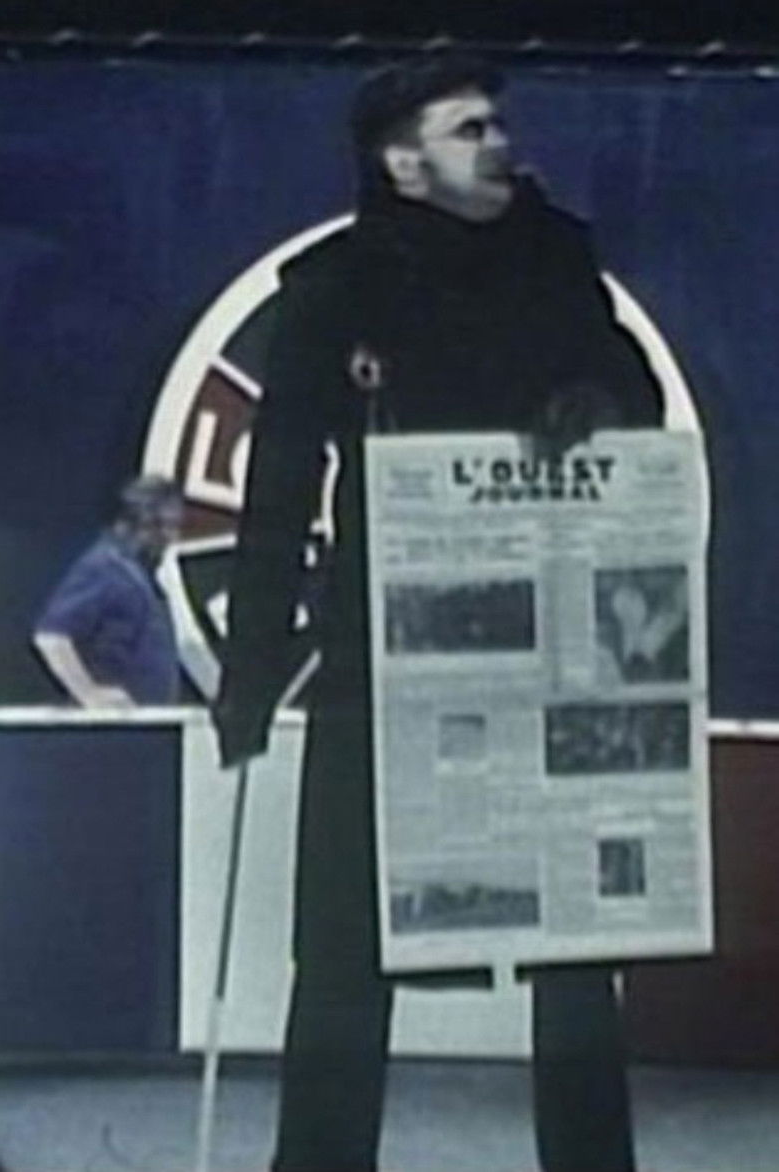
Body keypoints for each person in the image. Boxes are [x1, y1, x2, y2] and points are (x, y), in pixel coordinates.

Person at [215, 55, 664, 1172]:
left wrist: (600, 398)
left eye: (498, 122)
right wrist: (252, 669)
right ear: (402, 163)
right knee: (342, 955)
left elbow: (635, 386)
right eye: (470, 129)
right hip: (380, 667)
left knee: (575, 956)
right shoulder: (333, 288)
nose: (501, 142)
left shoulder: (557, 257)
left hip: (552, 652)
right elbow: (279, 488)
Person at [33, 474, 182, 707]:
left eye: (174, 526)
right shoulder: (104, 568)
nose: (170, 538)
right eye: (160, 526)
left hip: (144, 720)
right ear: (130, 523)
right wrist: (89, 693)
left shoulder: (140, 575)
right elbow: (51, 637)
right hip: (116, 723)